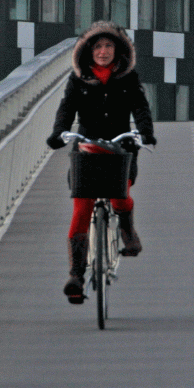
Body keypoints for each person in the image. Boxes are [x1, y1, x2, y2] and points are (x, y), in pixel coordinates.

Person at [46, 21, 156, 304]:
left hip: (120, 144)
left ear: (117, 51)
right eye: (98, 47)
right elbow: (66, 108)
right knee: (82, 207)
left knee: (120, 197)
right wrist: (58, 133)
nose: (103, 51)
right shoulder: (77, 79)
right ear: (88, 51)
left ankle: (127, 229)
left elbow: (140, 107)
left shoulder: (128, 78)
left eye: (108, 46)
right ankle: (76, 275)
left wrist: (146, 132)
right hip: (87, 145)